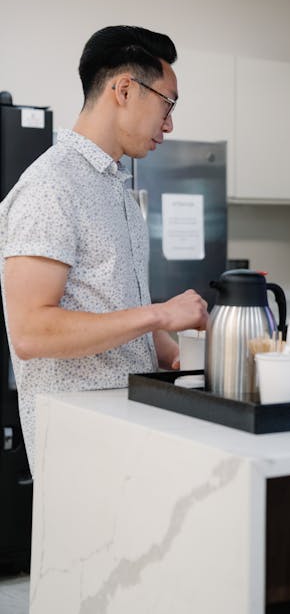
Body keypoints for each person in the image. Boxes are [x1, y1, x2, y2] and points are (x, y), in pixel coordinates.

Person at [0, 26, 209, 472]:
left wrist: (170, 350)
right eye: (167, 103)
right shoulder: (50, 186)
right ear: (126, 89)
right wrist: (158, 314)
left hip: (126, 431)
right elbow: (31, 332)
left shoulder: (117, 188)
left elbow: (116, 307)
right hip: (78, 448)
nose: (169, 123)